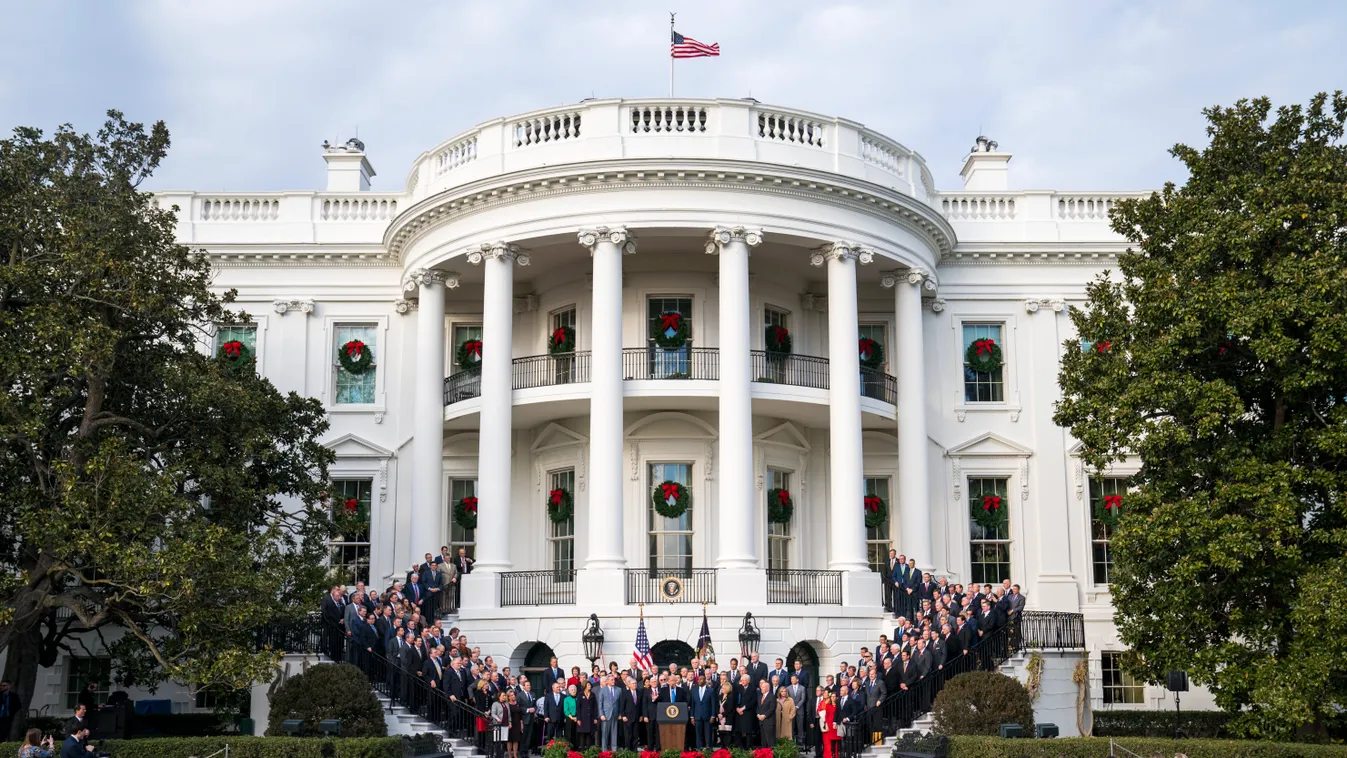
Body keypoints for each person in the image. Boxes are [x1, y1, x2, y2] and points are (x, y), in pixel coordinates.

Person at [691, 674, 717, 749]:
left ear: (705, 680)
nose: (699, 681)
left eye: (701, 679)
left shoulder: (711, 690)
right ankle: (699, 748)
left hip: (708, 716)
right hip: (697, 715)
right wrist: (692, 716)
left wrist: (713, 715)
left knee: (708, 733)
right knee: (698, 734)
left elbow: (713, 704)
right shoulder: (694, 690)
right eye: (698, 679)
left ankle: (709, 748)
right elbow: (693, 704)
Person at [598, 674, 621, 752]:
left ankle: (614, 749)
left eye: (614, 679)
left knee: (614, 732)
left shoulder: (618, 690)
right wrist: (601, 714)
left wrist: (620, 714)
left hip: (615, 714)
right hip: (606, 714)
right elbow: (600, 703)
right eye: (611, 680)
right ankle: (604, 750)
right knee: (605, 733)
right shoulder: (603, 690)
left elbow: (620, 703)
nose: (613, 681)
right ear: (607, 681)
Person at [816, 690, 837, 758]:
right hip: (824, 722)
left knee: (832, 741)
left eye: (825, 693)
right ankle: (827, 755)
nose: (823, 694)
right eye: (824, 693)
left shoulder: (831, 703)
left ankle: (832, 754)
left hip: (831, 723)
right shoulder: (822, 701)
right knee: (825, 741)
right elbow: (818, 710)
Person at [755, 680, 776, 748]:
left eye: (763, 687)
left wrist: (764, 715)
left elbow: (772, 708)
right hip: (761, 721)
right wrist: (758, 714)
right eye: (761, 687)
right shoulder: (760, 696)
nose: (761, 688)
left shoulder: (772, 696)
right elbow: (758, 707)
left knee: (770, 740)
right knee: (763, 740)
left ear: (767, 688)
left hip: (769, 721)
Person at [576, 681, 597, 748]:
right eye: (588, 685)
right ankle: (582, 749)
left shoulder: (593, 694)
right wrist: (578, 719)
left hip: (590, 717)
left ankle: (588, 749)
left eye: (590, 685)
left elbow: (595, 707)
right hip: (582, 717)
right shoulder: (580, 694)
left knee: (589, 734)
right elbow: (578, 707)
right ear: (585, 686)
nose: (590, 686)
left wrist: (595, 718)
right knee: (582, 734)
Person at [491, 691, 510, 758]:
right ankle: (497, 754)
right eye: (503, 695)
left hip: (505, 724)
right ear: (499, 696)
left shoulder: (506, 704)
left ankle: (502, 754)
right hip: (498, 725)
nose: (504, 697)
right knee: (497, 740)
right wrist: (497, 718)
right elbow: (493, 713)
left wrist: (510, 722)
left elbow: (509, 714)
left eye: (505, 695)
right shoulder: (495, 704)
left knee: (503, 740)